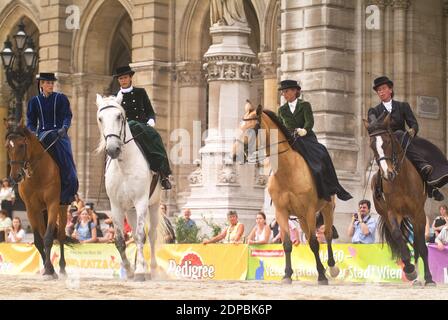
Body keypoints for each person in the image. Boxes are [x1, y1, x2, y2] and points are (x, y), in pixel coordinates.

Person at [368, 76, 448, 201]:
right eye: (378, 90)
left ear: (390, 89)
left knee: (405, 137)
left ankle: (431, 186)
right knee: (393, 141)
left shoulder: (403, 106)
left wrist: (413, 130)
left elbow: (414, 124)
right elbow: (373, 124)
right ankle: (378, 188)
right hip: (386, 144)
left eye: (383, 89)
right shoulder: (374, 110)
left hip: (403, 142)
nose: (381, 92)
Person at [277, 79, 352, 202]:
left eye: (286, 91)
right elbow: (280, 126)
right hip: (290, 139)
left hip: (306, 138)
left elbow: (309, 121)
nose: (284, 94)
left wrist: (305, 130)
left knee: (321, 153)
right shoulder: (281, 110)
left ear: (295, 91)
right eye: (282, 92)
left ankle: (330, 187)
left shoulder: (305, 105)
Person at [113, 65, 172, 190]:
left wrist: (151, 120)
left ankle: (163, 174)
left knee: (156, 139)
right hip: (124, 128)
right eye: (120, 78)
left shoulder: (140, 92)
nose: (123, 80)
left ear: (130, 78)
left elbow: (149, 110)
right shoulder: (115, 97)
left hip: (141, 125)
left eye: (125, 77)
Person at [26, 73, 79, 205]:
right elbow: (30, 122)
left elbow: (67, 115)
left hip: (59, 136)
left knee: (69, 168)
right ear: (41, 84)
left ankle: (69, 196)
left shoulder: (61, 98)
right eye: (48, 83)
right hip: (42, 136)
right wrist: (33, 133)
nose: (51, 85)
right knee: (26, 157)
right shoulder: (34, 101)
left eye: (52, 83)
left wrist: (64, 128)